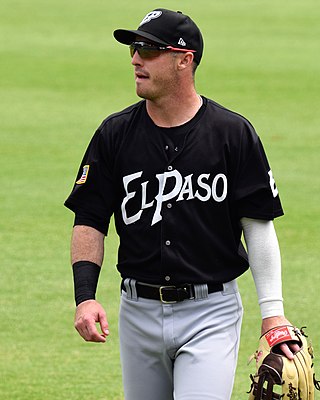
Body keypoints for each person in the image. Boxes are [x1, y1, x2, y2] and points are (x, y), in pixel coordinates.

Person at [64, 8, 299, 400]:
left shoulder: (232, 134)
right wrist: (85, 297)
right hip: (137, 312)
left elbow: (257, 224)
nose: (136, 58)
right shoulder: (114, 133)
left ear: (184, 60)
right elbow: (89, 218)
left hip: (211, 313)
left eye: (148, 49)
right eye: (134, 49)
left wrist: (272, 311)